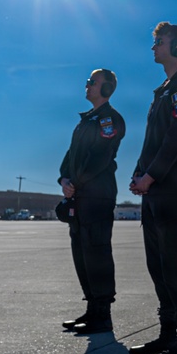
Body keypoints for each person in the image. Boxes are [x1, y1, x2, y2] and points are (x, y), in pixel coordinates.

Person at [127, 22, 177, 354]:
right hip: (155, 190)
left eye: (159, 42)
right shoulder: (164, 90)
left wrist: (152, 175)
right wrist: (138, 173)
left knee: (176, 265)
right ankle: (167, 334)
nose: (153, 47)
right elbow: (152, 142)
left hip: (173, 189)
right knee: (158, 265)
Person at [58, 68, 126, 335]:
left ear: (107, 89)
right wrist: (64, 179)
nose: (86, 85)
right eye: (87, 81)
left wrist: (75, 182)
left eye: (92, 82)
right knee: (82, 254)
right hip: (79, 194)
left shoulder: (110, 119)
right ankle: (91, 309)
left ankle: (103, 315)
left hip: (96, 196)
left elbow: (100, 157)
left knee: (97, 253)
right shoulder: (86, 120)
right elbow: (70, 155)